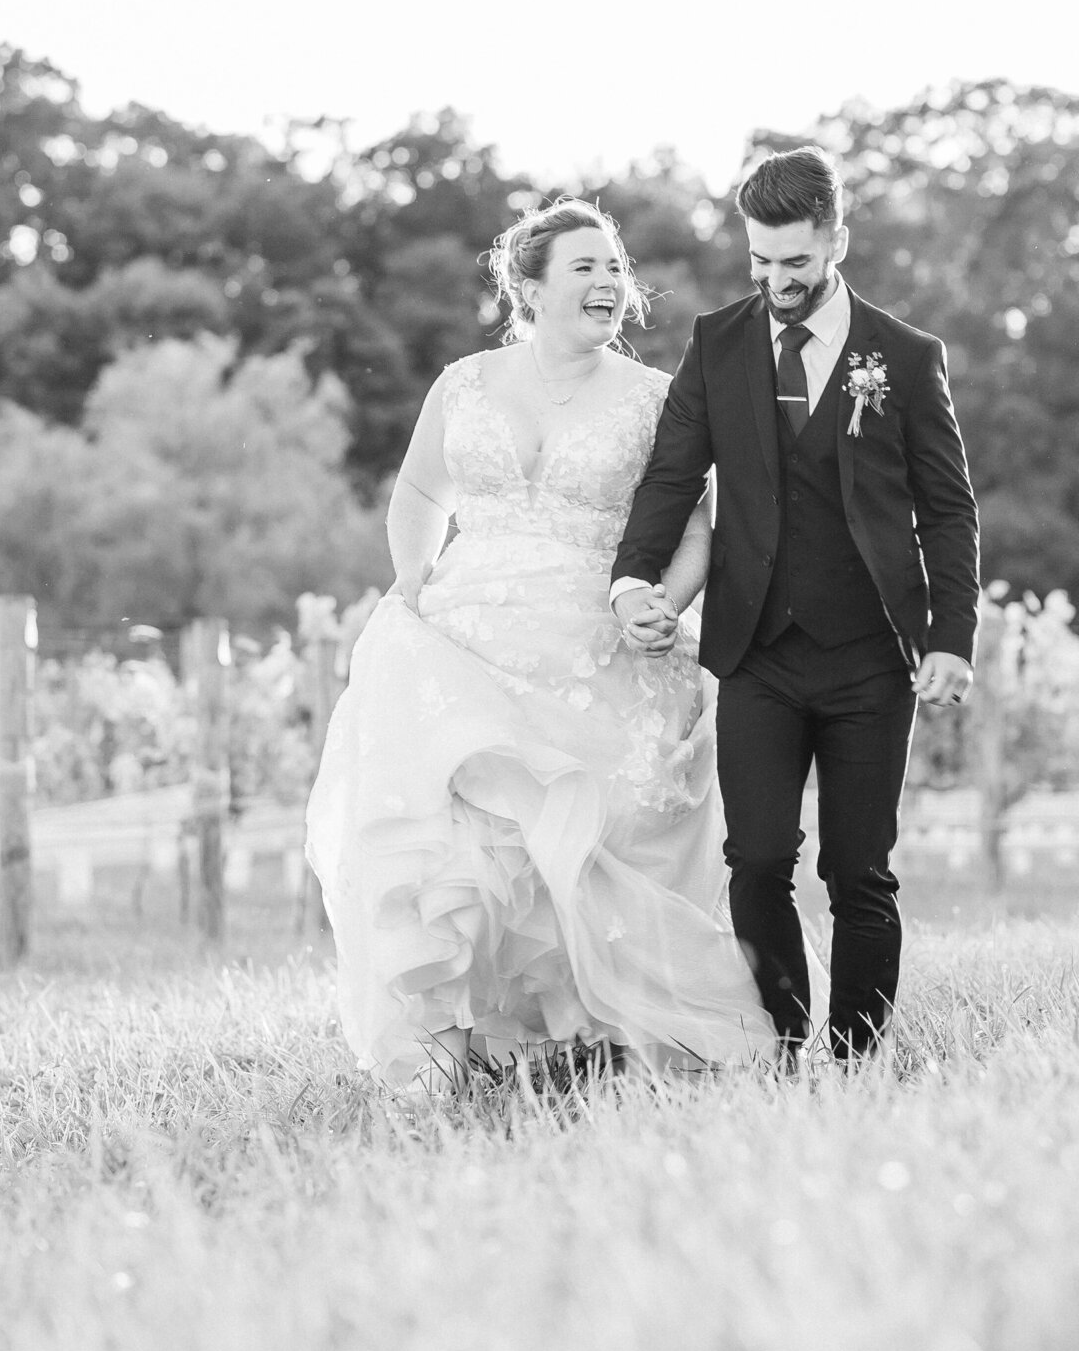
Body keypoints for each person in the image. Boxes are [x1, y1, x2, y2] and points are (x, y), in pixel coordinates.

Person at [305, 198, 779, 1090]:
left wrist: (666, 609)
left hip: (595, 635)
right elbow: (416, 495)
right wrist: (415, 583)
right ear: (529, 286)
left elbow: (693, 530)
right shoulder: (463, 383)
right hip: (465, 637)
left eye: (615, 270)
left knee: (584, 827)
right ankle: (454, 1040)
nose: (609, 283)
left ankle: (604, 1032)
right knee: (458, 836)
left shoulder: (653, 399)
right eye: (585, 268)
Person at [611, 146, 981, 1064]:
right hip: (758, 651)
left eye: (796, 263)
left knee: (859, 872)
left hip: (869, 656)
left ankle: (854, 1058)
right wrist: (631, 580)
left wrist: (951, 638)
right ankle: (782, 1046)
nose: (776, 280)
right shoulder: (718, 341)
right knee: (760, 860)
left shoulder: (905, 356)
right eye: (762, 261)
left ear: (837, 242)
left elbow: (947, 509)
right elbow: (672, 475)